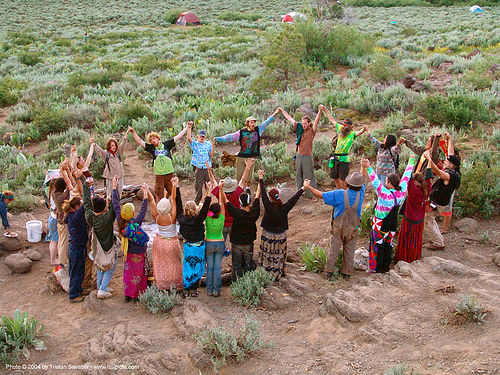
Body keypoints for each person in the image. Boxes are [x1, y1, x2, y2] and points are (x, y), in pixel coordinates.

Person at [304, 172, 365, 280]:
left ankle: (328, 271)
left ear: (348, 183)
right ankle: (347, 273)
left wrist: (308, 186)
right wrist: (363, 167)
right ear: (360, 186)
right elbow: (361, 179)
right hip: (353, 228)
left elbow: (320, 195)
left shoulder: (340, 194)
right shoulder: (361, 193)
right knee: (350, 250)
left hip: (338, 227)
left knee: (333, 249)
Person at [362, 155, 415, 273]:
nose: (385, 182)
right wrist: (411, 161)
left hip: (379, 224)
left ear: (390, 183)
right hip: (392, 224)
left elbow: (375, 181)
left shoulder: (384, 194)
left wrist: (368, 168)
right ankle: (386, 266)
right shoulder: (401, 192)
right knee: (388, 244)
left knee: (376, 245)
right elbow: (406, 177)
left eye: (386, 181)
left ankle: (373, 268)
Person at [257, 169, 304, 281]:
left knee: (267, 254)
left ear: (270, 198)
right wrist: (303, 188)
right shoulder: (284, 208)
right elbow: (294, 199)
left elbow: (263, 193)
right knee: (278, 255)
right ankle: (277, 274)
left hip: (268, 235)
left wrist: (261, 178)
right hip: (280, 236)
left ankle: (265, 273)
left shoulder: (268, 206)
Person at [214, 109, 280, 187]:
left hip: (251, 158)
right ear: (247, 123)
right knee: (238, 178)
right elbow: (229, 137)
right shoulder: (241, 132)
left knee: (249, 178)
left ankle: (247, 191)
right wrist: (218, 138)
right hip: (241, 157)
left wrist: (274, 114)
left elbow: (266, 122)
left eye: (254, 122)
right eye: (251, 122)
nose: (253, 124)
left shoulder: (258, 130)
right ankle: (238, 192)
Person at [129, 124, 190, 201]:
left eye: (154, 138)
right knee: (159, 193)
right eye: (151, 140)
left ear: (158, 138)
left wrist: (187, 127)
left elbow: (178, 136)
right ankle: (160, 210)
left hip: (169, 173)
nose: (153, 141)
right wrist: (133, 132)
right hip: (159, 175)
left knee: (173, 192)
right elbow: (140, 141)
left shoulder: (166, 144)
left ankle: (171, 205)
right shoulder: (151, 148)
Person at [112, 179, 149, 302]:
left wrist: (114, 188)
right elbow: (143, 210)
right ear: (132, 213)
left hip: (128, 253)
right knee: (139, 274)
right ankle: (137, 295)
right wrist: (145, 194)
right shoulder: (136, 223)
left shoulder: (121, 222)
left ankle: (128, 294)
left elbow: (116, 204)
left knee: (129, 274)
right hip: (139, 253)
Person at [423, 133, 461, 250]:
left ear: (451, 165)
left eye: (446, 161)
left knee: (427, 218)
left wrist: (429, 159)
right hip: (438, 199)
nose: (444, 161)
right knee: (429, 218)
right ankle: (435, 238)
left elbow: (438, 172)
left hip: (438, 201)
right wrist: (449, 139)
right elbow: (450, 153)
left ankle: (438, 242)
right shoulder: (454, 170)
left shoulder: (449, 175)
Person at [176, 181, 212, 297]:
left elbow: (178, 204)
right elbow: (205, 207)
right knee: (197, 267)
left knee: (187, 267)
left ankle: (187, 288)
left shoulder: (181, 219)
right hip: (199, 248)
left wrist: (176, 186)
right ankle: (194, 290)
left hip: (188, 247)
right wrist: (208, 191)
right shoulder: (198, 220)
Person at [82, 177, 117, 299]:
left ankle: (100, 285)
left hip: (97, 246)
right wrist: (114, 188)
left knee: (100, 265)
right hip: (108, 246)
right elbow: (115, 206)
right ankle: (102, 289)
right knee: (110, 266)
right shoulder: (107, 218)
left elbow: (86, 203)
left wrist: (86, 186)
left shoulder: (91, 218)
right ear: (104, 208)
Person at [280, 106, 323, 200]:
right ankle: (299, 192)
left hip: (307, 156)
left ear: (308, 123)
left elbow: (316, 121)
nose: (303, 125)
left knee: (308, 174)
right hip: (299, 155)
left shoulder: (312, 131)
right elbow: (290, 119)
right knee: (298, 173)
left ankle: (311, 194)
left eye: (305, 124)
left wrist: (319, 111)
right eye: (302, 123)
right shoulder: (299, 128)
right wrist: (282, 111)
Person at [147, 177, 182, 292]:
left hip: (159, 242)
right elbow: (174, 200)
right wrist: (174, 186)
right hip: (171, 242)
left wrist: (146, 190)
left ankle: (162, 284)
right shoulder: (172, 217)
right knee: (174, 264)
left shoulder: (156, 216)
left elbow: (152, 201)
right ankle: (176, 284)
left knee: (161, 264)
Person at [208, 158, 254, 246]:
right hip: (234, 223)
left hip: (223, 222)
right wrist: (247, 168)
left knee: (221, 242)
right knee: (235, 242)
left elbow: (213, 182)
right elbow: (243, 180)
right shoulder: (237, 193)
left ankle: (221, 252)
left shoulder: (220, 193)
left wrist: (209, 171)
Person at [322, 107, 367, 189]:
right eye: (343, 124)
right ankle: (340, 192)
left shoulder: (352, 134)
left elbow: (359, 132)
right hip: (335, 157)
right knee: (335, 177)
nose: (343, 126)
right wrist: (325, 110)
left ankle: (346, 193)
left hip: (344, 159)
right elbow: (332, 120)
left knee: (343, 179)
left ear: (350, 126)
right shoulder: (339, 129)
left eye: (345, 125)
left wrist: (364, 128)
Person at [226, 179, 261, 281]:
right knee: (248, 264)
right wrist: (260, 181)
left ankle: (236, 283)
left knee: (236, 265)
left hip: (237, 243)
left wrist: (220, 189)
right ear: (249, 202)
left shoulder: (236, 213)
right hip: (249, 243)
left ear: (240, 203)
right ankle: (247, 283)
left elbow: (226, 201)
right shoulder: (254, 212)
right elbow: (258, 196)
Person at [62, 174, 88, 303]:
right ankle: (73, 294)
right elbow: (85, 200)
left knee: (78, 269)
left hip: (76, 247)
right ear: (75, 207)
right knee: (76, 271)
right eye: (80, 205)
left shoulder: (71, 217)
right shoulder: (75, 216)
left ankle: (78, 289)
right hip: (77, 248)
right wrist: (81, 182)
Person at [394, 172, 430, 263]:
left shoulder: (413, 190)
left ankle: (403, 258)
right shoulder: (426, 188)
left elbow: (408, 178)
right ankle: (414, 257)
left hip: (409, 219)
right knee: (416, 240)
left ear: (415, 181)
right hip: (420, 220)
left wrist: (411, 161)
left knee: (406, 240)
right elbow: (429, 178)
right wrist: (429, 161)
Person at [205, 181, 227, 296]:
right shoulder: (222, 218)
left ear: (210, 211)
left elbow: (206, 207)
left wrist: (208, 190)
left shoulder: (208, 219)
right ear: (218, 211)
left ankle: (209, 289)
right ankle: (216, 290)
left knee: (210, 268)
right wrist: (221, 189)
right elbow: (222, 203)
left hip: (209, 243)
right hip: (219, 243)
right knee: (218, 267)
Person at [52, 160, 75, 266]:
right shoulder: (63, 196)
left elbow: (63, 183)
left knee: (61, 241)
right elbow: (71, 186)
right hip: (64, 221)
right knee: (64, 244)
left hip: (58, 221)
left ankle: (62, 260)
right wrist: (65, 172)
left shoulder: (54, 193)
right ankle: (63, 262)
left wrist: (62, 171)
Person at [93, 131, 129, 199]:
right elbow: (99, 151)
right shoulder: (106, 154)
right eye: (112, 145)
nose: (114, 147)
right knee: (109, 194)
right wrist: (94, 144)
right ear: (109, 145)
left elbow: (123, 144)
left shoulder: (118, 153)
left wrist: (126, 134)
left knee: (119, 193)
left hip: (119, 176)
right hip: (110, 177)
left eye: (115, 145)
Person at [187, 123, 214, 205]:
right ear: (198, 136)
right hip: (199, 168)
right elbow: (188, 138)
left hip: (207, 168)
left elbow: (211, 155)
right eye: (200, 136)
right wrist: (189, 127)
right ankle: (196, 205)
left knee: (209, 186)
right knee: (198, 187)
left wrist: (213, 145)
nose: (202, 137)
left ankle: (207, 204)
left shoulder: (208, 144)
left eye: (203, 136)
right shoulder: (195, 144)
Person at [46, 180, 59, 265]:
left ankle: (53, 258)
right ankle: (53, 260)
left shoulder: (51, 194)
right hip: (55, 219)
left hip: (52, 217)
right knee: (55, 241)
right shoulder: (56, 196)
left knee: (53, 240)